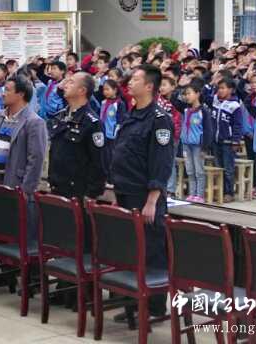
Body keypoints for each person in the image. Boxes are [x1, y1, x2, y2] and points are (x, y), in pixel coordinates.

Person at [111, 65, 174, 319]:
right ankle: (133, 303)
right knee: (130, 249)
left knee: (151, 250)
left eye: (136, 79)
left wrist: (152, 200)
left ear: (149, 86)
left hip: (144, 195)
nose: (130, 82)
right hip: (125, 191)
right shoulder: (132, 113)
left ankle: (154, 307)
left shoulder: (159, 119)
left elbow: (162, 162)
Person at [0, 74, 48, 194]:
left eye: (7, 90)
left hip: (15, 186)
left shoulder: (34, 122)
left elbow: (35, 160)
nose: (3, 94)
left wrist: (25, 190)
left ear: (21, 94)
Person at [47, 72, 106, 199]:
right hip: (56, 187)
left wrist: (91, 194)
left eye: (71, 82)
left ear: (82, 90)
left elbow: (98, 162)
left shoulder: (92, 122)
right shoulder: (60, 116)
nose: (65, 84)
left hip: (78, 192)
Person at [210, 78, 243, 202]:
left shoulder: (235, 105)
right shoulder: (215, 101)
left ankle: (229, 193)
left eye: (223, 88)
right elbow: (203, 96)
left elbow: (237, 125)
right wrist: (212, 84)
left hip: (228, 142)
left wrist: (235, 141)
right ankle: (220, 191)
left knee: (228, 169)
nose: (220, 90)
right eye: (219, 88)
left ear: (231, 90)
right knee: (218, 167)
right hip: (216, 141)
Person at [180, 82, 214, 203]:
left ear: (197, 94)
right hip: (186, 144)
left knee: (199, 171)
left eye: (189, 93)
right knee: (189, 170)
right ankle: (192, 193)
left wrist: (205, 148)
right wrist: (181, 85)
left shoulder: (204, 111)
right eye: (185, 94)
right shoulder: (186, 109)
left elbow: (208, 131)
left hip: (198, 146)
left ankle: (200, 195)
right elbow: (174, 99)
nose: (187, 96)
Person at [99, 79, 125, 184]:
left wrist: (117, 132)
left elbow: (120, 119)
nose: (105, 92)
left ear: (115, 90)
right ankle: (103, 177)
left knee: (110, 157)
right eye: (104, 90)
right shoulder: (103, 102)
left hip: (112, 134)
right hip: (102, 133)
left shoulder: (119, 104)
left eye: (107, 89)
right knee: (102, 157)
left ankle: (111, 179)